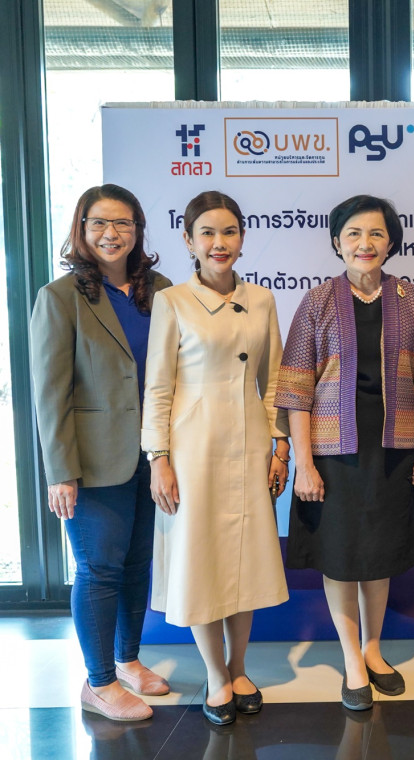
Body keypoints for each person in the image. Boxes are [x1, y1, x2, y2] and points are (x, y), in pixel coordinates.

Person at [276, 195, 414, 711]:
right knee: (340, 558)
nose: (364, 243)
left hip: (394, 450)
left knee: (379, 555)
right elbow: (294, 391)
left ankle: (374, 650)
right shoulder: (317, 302)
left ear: (391, 241)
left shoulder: (412, 300)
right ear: (337, 242)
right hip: (333, 455)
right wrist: (304, 464)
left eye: (375, 233)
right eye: (353, 233)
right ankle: (351, 658)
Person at [143, 191, 291, 726]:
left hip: (250, 444)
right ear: (188, 240)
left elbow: (275, 381)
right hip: (193, 447)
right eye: (207, 232)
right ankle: (215, 675)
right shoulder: (172, 301)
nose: (219, 242)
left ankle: (239, 666)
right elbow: (158, 386)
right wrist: (158, 457)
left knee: (245, 557)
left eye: (229, 231)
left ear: (242, 238)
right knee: (202, 558)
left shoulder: (262, 299)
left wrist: (280, 443)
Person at [29, 185, 173, 721]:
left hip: (153, 454)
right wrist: (60, 471)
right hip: (92, 460)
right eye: (99, 223)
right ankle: (99, 682)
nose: (111, 234)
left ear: (138, 229)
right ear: (82, 229)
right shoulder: (60, 296)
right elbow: (50, 394)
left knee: (137, 563)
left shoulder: (161, 291)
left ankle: (128, 660)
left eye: (123, 223)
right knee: (99, 567)